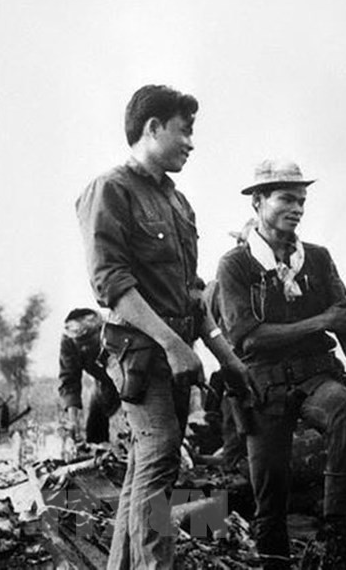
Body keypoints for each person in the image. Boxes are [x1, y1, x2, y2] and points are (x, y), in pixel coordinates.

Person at [76, 85, 249, 570]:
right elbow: (110, 283)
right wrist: (174, 346)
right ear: (152, 128)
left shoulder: (178, 203)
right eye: (184, 130)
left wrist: (226, 357)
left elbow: (194, 292)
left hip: (175, 357)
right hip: (140, 354)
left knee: (145, 470)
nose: (192, 143)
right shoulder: (109, 189)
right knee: (160, 458)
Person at [213, 158, 346, 568]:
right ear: (258, 202)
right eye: (286, 199)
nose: (297, 208)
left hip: (316, 373)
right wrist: (321, 321)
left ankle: (336, 531)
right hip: (263, 386)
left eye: (302, 201)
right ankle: (275, 561)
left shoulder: (317, 258)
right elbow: (248, 336)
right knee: (269, 492)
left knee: (344, 409)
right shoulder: (235, 264)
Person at [58, 308, 120, 444]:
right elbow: (69, 381)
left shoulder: (115, 328)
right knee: (94, 426)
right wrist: (73, 421)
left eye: (89, 342)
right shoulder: (68, 341)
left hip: (131, 378)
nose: (84, 349)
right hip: (104, 382)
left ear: (100, 331)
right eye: (80, 343)